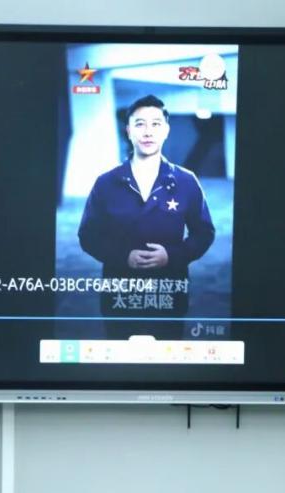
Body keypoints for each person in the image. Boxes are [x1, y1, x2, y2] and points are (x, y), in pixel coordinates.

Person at [78, 94, 215, 340]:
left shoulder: (186, 181)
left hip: (168, 292)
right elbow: (88, 235)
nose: (148, 132)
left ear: (166, 131)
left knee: (167, 359)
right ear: (129, 131)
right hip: (119, 292)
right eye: (140, 124)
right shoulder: (106, 183)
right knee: (119, 359)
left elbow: (204, 233)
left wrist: (172, 256)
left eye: (156, 124)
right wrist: (123, 256)